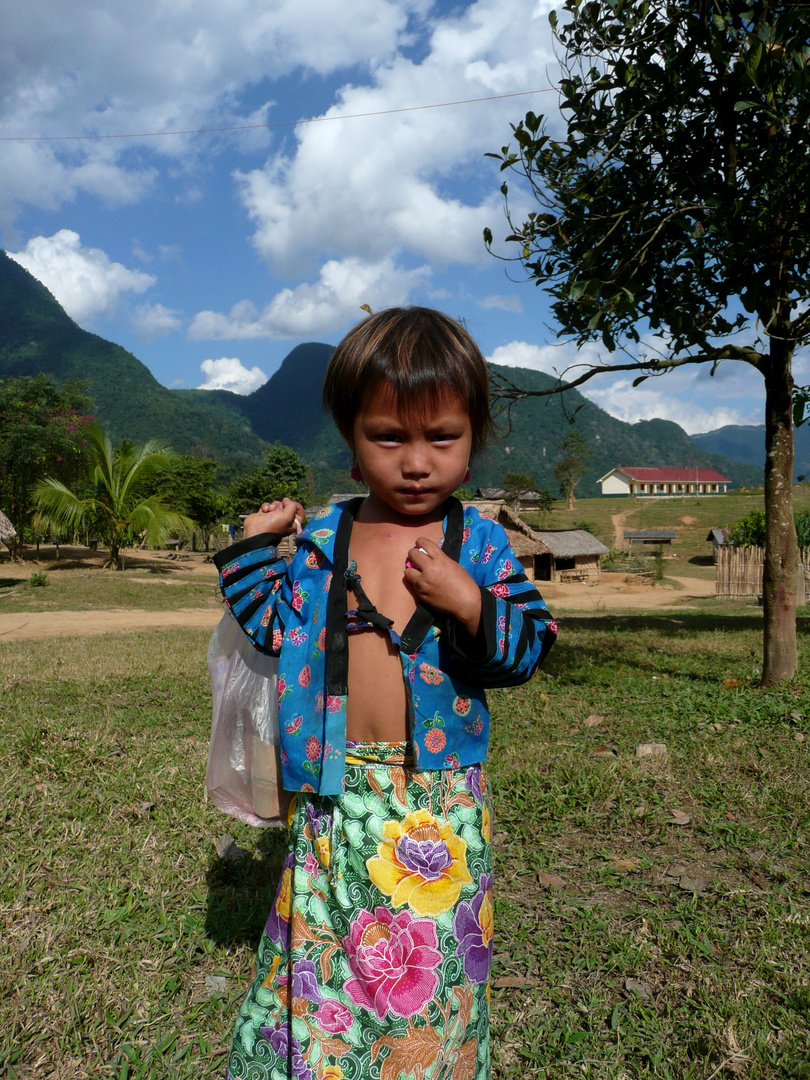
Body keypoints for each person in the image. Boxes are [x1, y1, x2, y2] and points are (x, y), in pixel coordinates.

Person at [213, 307, 557, 1080]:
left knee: (429, 974)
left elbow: (529, 645)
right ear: (351, 440)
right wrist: (255, 545)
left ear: (473, 442)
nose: (415, 462)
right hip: (331, 797)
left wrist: (470, 601)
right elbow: (273, 628)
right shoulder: (328, 539)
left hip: (439, 807)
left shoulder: (482, 544)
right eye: (388, 437)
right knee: (317, 957)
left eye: (441, 437)